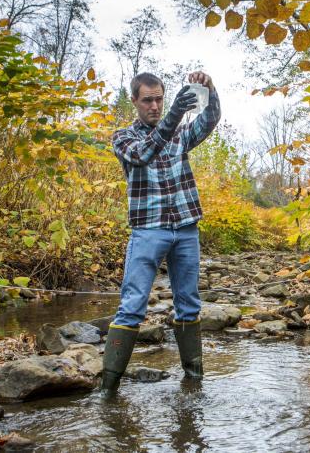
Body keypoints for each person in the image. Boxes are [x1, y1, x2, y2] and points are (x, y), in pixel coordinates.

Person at [101, 71, 221, 396]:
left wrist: (210, 89)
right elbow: (144, 154)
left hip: (185, 228)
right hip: (147, 230)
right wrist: (174, 115)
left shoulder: (181, 135)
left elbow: (210, 120)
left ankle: (193, 384)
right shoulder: (123, 137)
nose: (154, 106)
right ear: (135, 101)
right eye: (147, 100)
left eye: (159, 99)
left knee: (189, 304)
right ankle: (107, 392)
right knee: (133, 304)